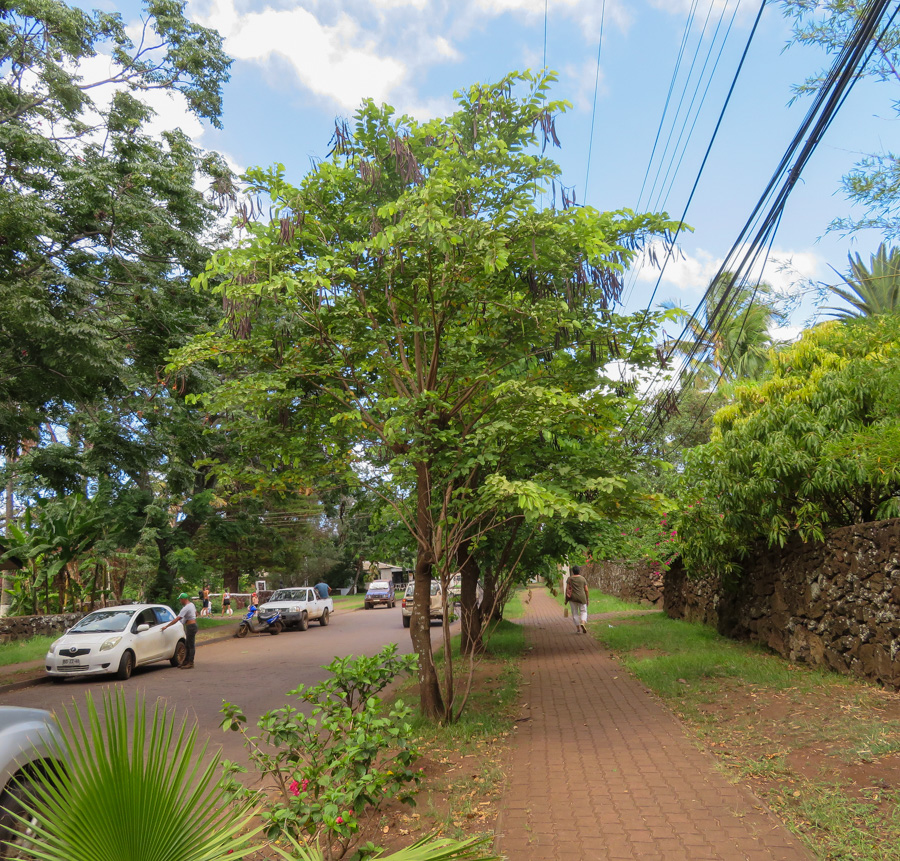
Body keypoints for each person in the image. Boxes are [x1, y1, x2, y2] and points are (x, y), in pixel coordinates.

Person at [163, 593, 198, 669]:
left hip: (191, 626)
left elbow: (177, 618)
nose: (180, 601)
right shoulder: (191, 605)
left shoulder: (186, 608)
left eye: (180, 600)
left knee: (190, 645)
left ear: (183, 599)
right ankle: (186, 661)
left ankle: (190, 662)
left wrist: (167, 626)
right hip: (192, 625)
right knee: (187, 644)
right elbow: (196, 613)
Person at [566, 565, 590, 634]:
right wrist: (587, 598)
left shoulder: (569, 579)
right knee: (584, 611)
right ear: (579, 571)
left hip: (572, 598)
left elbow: (567, 589)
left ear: (573, 571)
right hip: (582, 597)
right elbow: (586, 590)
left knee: (575, 613)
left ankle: (578, 629)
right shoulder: (582, 579)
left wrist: (566, 599)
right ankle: (583, 622)